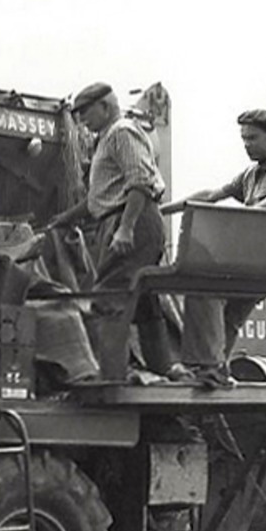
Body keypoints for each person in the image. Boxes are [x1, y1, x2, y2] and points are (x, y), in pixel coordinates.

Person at [170, 108, 266, 389]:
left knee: (204, 285)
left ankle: (207, 365)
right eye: (244, 139)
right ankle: (214, 368)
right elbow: (212, 195)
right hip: (257, 259)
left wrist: (250, 214)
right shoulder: (251, 174)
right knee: (232, 312)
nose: (247, 144)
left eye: (254, 138)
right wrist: (164, 210)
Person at [46, 82, 175, 380]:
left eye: (85, 112)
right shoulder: (106, 138)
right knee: (143, 299)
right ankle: (162, 369)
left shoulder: (121, 132)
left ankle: (110, 379)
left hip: (133, 220)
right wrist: (64, 219)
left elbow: (140, 181)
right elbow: (99, 199)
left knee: (109, 297)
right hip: (124, 219)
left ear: (105, 106)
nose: (81, 120)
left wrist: (126, 229)